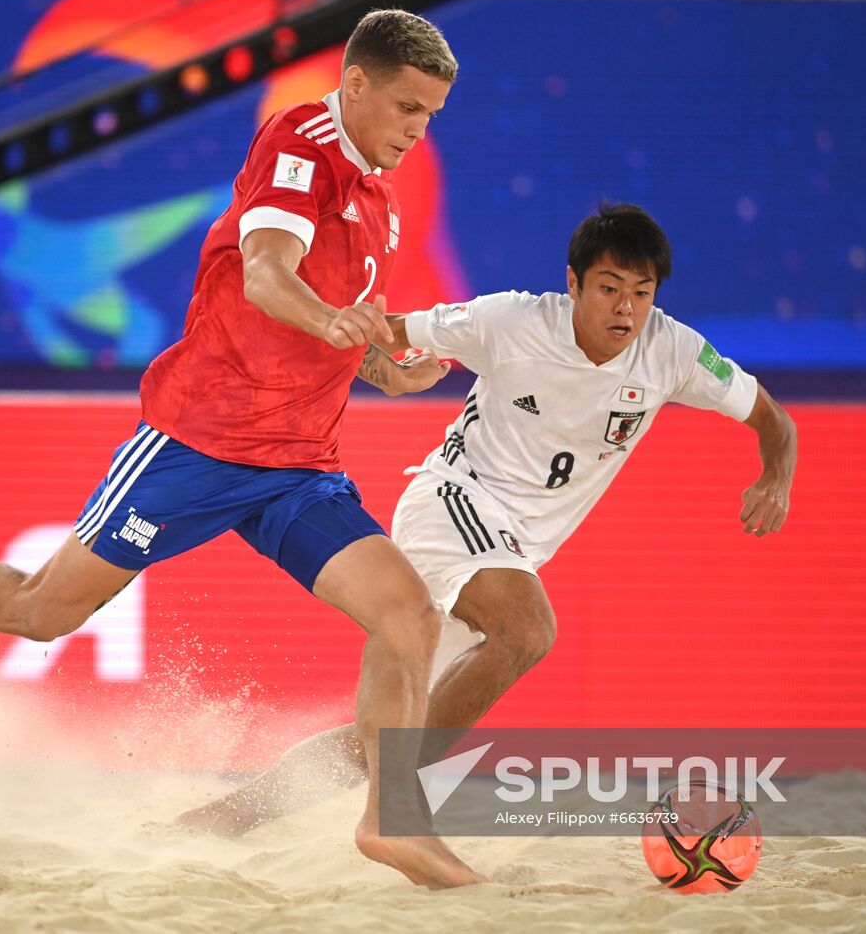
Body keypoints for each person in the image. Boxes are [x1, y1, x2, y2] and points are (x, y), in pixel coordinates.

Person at [0, 9, 486, 890]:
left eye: (432, 116)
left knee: (409, 617)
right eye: (409, 108)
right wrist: (333, 320)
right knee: (42, 611)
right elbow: (268, 275)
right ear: (355, 85)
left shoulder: (378, 199)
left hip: (301, 462)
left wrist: (385, 365)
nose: (420, 131)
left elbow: (333, 328)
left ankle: (391, 823)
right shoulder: (298, 141)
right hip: (200, 443)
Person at [178, 201, 799, 835]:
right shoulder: (510, 320)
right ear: (574, 283)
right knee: (528, 631)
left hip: (511, 548)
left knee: (388, 728)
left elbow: (774, 419)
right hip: (454, 503)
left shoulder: (672, 351)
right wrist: (387, 372)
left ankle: (222, 820)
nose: (626, 309)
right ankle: (400, 801)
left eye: (641, 293)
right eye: (609, 289)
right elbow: (382, 331)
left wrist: (775, 478)